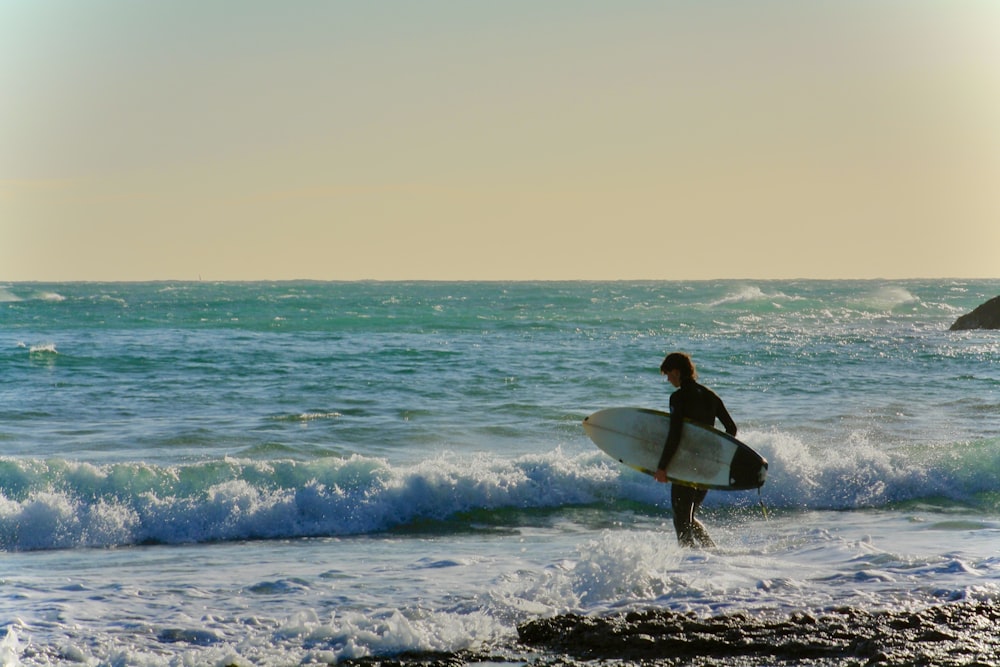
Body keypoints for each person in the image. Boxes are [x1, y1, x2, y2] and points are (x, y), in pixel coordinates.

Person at [655, 352, 737, 548]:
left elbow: (675, 434)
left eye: (668, 374)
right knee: (689, 517)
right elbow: (731, 429)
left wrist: (662, 467)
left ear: (676, 371)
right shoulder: (711, 396)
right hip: (707, 466)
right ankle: (711, 552)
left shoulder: (678, 397)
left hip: (686, 464)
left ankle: (689, 559)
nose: (668, 379)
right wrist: (718, 455)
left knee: (680, 518)